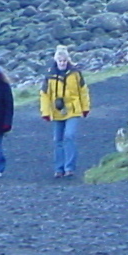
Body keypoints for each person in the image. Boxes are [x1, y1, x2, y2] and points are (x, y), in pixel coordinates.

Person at [38, 45, 90, 177]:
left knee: (69, 136)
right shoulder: (49, 75)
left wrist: (85, 108)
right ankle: (59, 169)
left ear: (67, 60)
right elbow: (44, 94)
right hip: (56, 111)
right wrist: (45, 112)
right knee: (58, 140)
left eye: (64, 61)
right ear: (56, 60)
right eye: (60, 61)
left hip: (73, 109)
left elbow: (83, 91)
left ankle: (69, 168)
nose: (62, 63)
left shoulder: (76, 73)